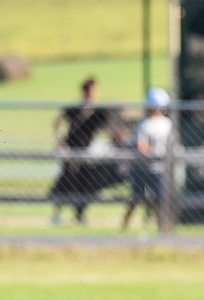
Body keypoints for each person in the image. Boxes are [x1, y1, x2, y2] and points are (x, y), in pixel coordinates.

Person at [49, 77, 110, 224]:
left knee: (85, 183)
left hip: (87, 153)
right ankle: (57, 213)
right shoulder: (75, 109)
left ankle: (80, 214)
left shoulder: (98, 112)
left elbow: (109, 128)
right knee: (66, 181)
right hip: (71, 151)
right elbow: (57, 122)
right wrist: (60, 140)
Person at [121, 87, 173, 231]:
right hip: (142, 167)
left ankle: (162, 227)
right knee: (136, 198)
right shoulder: (144, 124)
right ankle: (124, 226)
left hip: (159, 168)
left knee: (159, 199)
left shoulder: (167, 124)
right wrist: (152, 154)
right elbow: (141, 145)